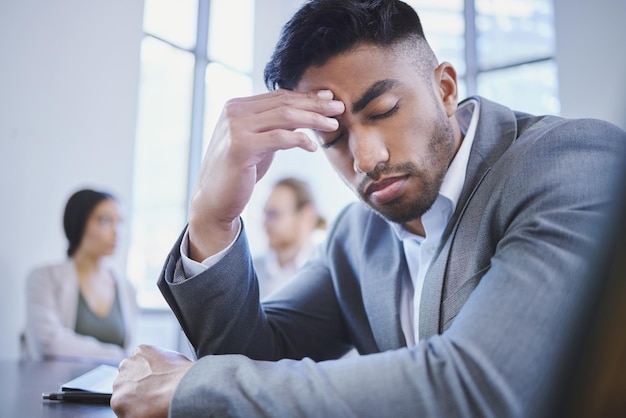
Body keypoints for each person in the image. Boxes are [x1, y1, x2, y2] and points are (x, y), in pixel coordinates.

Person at [111, 0, 626, 417]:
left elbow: (480, 390)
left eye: (382, 111)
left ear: (445, 88)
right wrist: (212, 217)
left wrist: (193, 389)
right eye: (332, 136)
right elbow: (252, 356)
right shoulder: (357, 236)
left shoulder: (570, 160)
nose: (366, 158)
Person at [24, 188, 137, 364]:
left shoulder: (127, 288)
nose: (117, 232)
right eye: (105, 220)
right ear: (79, 222)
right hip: (57, 388)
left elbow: (129, 351)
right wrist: (117, 355)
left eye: (120, 222)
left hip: (112, 389)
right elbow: (49, 342)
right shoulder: (44, 278)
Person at [254, 177, 326, 298]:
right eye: (265, 213)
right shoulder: (250, 271)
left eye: (273, 214)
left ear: (307, 215)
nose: (264, 223)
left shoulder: (326, 272)